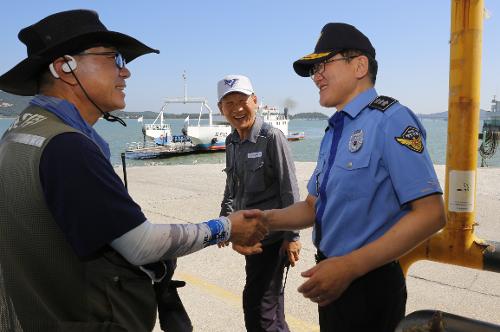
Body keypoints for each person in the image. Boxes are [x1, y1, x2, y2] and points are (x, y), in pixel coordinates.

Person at [0, 10, 267, 332]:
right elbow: (140, 244)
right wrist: (224, 227)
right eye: (113, 59)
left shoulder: (20, 133)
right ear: (65, 67)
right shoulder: (65, 146)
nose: (125, 73)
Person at [244, 23, 446, 331]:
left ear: (359, 65)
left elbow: (431, 214)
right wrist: (265, 220)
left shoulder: (391, 120)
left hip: (370, 283)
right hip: (332, 277)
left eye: (324, 64)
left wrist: (350, 267)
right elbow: (313, 206)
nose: (316, 76)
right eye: (314, 68)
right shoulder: (336, 130)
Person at [217, 75, 301, 332]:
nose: (237, 109)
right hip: (248, 237)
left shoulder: (271, 137)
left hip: (273, 239)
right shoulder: (232, 141)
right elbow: (231, 186)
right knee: (272, 306)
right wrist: (224, 222)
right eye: (229, 103)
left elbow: (289, 189)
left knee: (258, 309)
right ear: (221, 109)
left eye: (242, 101)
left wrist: (293, 236)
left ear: (255, 101)